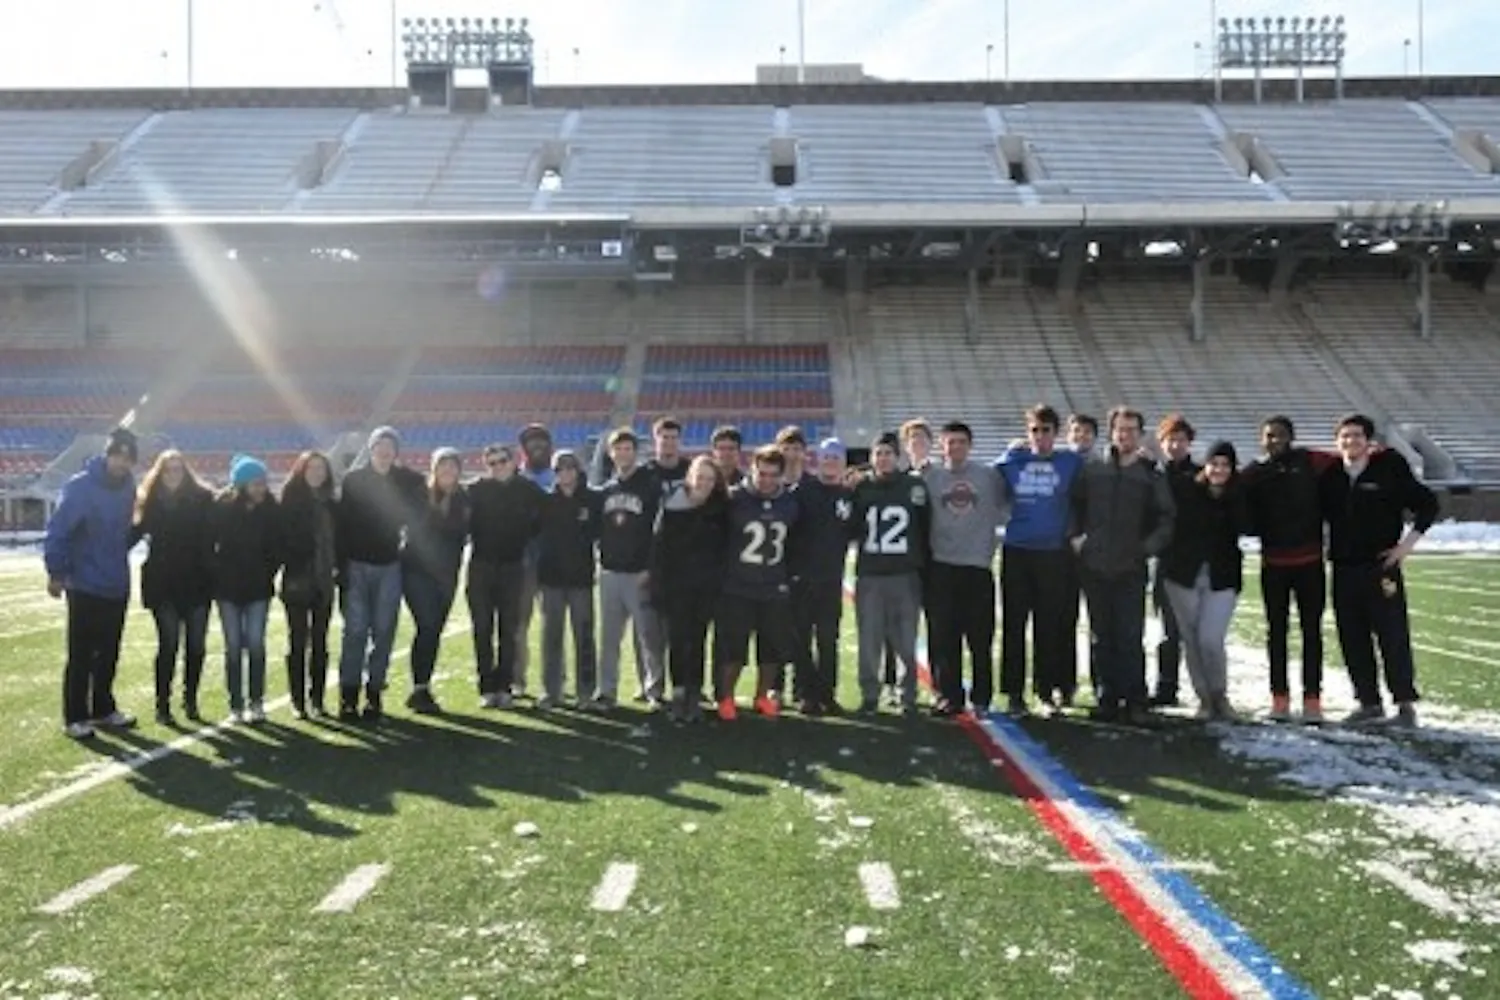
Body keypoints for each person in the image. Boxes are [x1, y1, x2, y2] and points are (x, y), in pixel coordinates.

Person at [1319, 414, 1438, 728]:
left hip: (1380, 567)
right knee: (1352, 637)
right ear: (1336, 441)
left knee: (1392, 635)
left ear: (1369, 441)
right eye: (1344, 436)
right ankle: (1368, 702)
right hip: (1344, 568)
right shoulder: (1331, 475)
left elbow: (1428, 504)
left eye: (1356, 436)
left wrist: (1405, 547)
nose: (1350, 441)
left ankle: (1404, 704)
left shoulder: (1389, 468)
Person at [1068, 407, 1175, 725]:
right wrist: (1076, 537)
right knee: (1101, 635)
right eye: (1119, 429)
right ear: (1111, 432)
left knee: (1130, 635)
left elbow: (1166, 518)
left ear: (1140, 435)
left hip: (1130, 567)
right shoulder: (1093, 469)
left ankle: (1136, 699)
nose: (1125, 435)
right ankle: (1106, 697)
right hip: (1095, 564)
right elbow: (1074, 504)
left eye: (1131, 430)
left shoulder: (1149, 475)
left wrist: (1146, 549)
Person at [45, 427, 140, 739]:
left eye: (128, 458)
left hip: (116, 581)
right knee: (81, 653)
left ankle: (102, 709)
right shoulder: (80, 487)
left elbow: (123, 534)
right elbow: (58, 530)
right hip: (84, 583)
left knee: (109, 651)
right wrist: (56, 572)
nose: (121, 463)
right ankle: (75, 715)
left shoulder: (129, 487)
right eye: (117, 455)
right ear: (108, 454)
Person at [1240, 416, 1336, 723]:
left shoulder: (1310, 461)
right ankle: (1279, 699)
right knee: (1276, 634)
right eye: (1268, 436)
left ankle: (1312, 700)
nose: (1274, 440)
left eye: (1280, 435)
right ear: (1261, 439)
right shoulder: (1255, 473)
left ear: (1291, 437)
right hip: (1274, 566)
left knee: (1312, 633)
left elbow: (1347, 458)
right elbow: (1226, 486)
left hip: (1310, 564)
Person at [995, 406, 1086, 715]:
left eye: (1046, 430)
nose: (1040, 436)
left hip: (1053, 554)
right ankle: (1014, 692)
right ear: (1027, 432)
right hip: (1017, 551)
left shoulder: (1070, 462)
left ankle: (1046, 690)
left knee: (1049, 625)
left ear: (1056, 433)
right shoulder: (1012, 461)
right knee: (1014, 624)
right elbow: (982, 478)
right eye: (1034, 430)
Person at [336, 426, 425, 721]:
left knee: (384, 632)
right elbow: (342, 526)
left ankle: (374, 695)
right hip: (357, 564)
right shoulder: (354, 480)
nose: (385, 452)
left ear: (396, 451)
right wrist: (341, 569)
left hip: (389, 564)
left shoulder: (405, 481)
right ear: (371, 449)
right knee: (355, 633)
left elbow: (418, 510)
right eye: (380, 446)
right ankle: (348, 696)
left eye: (390, 447)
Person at [1159, 441, 1249, 721]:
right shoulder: (1187, 490)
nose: (1218, 470)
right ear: (1205, 465)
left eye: (1225, 465)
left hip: (1221, 577)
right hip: (1182, 575)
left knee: (1210, 638)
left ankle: (1220, 694)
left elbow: (1248, 525)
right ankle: (1204, 698)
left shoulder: (1238, 495)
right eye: (1214, 464)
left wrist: (1230, 498)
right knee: (1191, 639)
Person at [923, 420, 1005, 716]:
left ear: (970, 446)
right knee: (945, 637)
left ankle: (982, 697)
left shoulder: (989, 476)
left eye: (961, 442)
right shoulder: (930, 478)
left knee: (980, 637)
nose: (955, 447)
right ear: (941, 446)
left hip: (977, 567)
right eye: (950, 442)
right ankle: (949, 695)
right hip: (942, 566)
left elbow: (1009, 499)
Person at [715, 446, 803, 719]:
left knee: (771, 650)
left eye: (772, 475)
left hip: (773, 586)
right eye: (761, 473)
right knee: (733, 650)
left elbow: (795, 545)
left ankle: (761, 696)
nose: (766, 480)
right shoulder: (733, 499)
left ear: (781, 475)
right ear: (752, 470)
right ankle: (726, 698)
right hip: (737, 587)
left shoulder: (789, 502)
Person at [850, 432, 931, 716]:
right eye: (878, 454)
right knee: (869, 639)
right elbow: (852, 528)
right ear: (871, 458)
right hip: (871, 574)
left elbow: (924, 527)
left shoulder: (914, 486)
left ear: (897, 457)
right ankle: (870, 694)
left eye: (888, 453)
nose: (883, 459)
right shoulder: (861, 488)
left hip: (904, 574)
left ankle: (907, 693)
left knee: (906, 639)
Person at [134, 448, 215, 726]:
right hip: (163, 584)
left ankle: (190, 700)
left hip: (197, 582)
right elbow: (131, 534)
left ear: (186, 471)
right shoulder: (150, 502)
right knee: (168, 644)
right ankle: (163, 704)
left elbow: (218, 530)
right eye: (168, 469)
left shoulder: (203, 499)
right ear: (159, 472)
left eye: (178, 469)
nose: (173, 474)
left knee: (196, 646)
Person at [651, 454, 729, 722]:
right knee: (677, 640)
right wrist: (658, 585)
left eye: (709, 478)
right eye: (700, 477)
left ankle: (695, 693)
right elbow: (660, 548)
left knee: (697, 640)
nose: (704, 483)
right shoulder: (672, 506)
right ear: (690, 478)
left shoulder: (721, 508)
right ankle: (679, 692)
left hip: (706, 587)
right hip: (677, 586)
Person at [466, 443, 544, 710]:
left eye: (502, 461)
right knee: (482, 628)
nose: (498, 467)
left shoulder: (528, 489)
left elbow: (546, 516)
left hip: (513, 567)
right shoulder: (476, 489)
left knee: (509, 629)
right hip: (481, 566)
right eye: (492, 463)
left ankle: (505, 685)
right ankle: (487, 686)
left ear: (514, 461)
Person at [209, 455, 282, 725]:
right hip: (228, 589)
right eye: (254, 483)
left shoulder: (272, 510)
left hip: (258, 589)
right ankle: (235, 705)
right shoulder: (223, 509)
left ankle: (256, 702)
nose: (260, 488)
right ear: (241, 485)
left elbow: (277, 548)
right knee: (232, 646)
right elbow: (209, 544)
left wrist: (267, 572)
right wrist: (218, 574)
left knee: (255, 644)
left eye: (262, 482)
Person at [596, 429, 662, 710]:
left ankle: (654, 689)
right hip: (610, 572)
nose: (623, 454)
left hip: (639, 572)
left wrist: (651, 566)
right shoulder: (606, 489)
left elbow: (659, 531)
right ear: (611, 454)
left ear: (635, 452)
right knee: (610, 638)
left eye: (627, 449)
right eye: (618, 449)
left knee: (649, 636)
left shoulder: (649, 485)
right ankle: (607, 690)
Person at [788, 438, 853, 715]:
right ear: (818, 460)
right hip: (802, 578)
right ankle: (804, 692)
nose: (831, 463)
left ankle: (827, 693)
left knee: (828, 639)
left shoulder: (848, 496)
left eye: (836, 458)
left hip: (831, 579)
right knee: (800, 638)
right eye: (826, 458)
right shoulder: (803, 490)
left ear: (843, 463)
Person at [403, 448, 470, 715]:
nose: (448, 471)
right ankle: (420, 688)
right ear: (434, 469)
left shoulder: (464, 498)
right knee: (428, 624)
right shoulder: (420, 494)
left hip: (446, 574)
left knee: (433, 630)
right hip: (417, 571)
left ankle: (422, 686)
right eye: (442, 466)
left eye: (452, 466)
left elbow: (463, 532)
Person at [537, 450, 602, 710]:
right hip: (550, 579)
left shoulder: (593, 499)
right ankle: (551, 691)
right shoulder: (545, 501)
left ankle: (585, 692)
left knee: (584, 638)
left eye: (569, 468)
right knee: (551, 638)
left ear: (578, 470)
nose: (565, 473)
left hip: (581, 580)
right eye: (559, 469)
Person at [279, 451, 339, 719]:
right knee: (297, 642)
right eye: (311, 467)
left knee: (320, 642)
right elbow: (282, 541)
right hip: (298, 580)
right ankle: (298, 700)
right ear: (302, 470)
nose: (316, 472)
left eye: (321, 468)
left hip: (325, 580)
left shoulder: (332, 503)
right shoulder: (290, 501)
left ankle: (317, 699)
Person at [1151, 414, 1199, 708]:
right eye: (1170, 439)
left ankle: (1207, 689)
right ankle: (1167, 687)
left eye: (1181, 439)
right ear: (1162, 442)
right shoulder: (1154, 474)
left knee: (1199, 633)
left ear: (1189, 442)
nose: (1175, 445)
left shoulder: (1201, 475)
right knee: (1169, 630)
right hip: (1165, 561)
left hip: (1194, 563)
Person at [514, 423, 556, 699]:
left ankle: (553, 682)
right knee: (519, 624)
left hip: (554, 558)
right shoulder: (514, 477)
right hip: (522, 558)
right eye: (531, 442)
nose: (536, 446)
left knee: (552, 624)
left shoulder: (561, 475)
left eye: (541, 441)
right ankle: (517, 679)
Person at [1065, 413, 1100, 699]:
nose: (1081, 437)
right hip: (1063, 552)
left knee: (1100, 622)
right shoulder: (1061, 463)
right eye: (1077, 432)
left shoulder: (1103, 467)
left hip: (1097, 552)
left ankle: (1103, 685)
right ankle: (1065, 685)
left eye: (1087, 432)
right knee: (1064, 619)